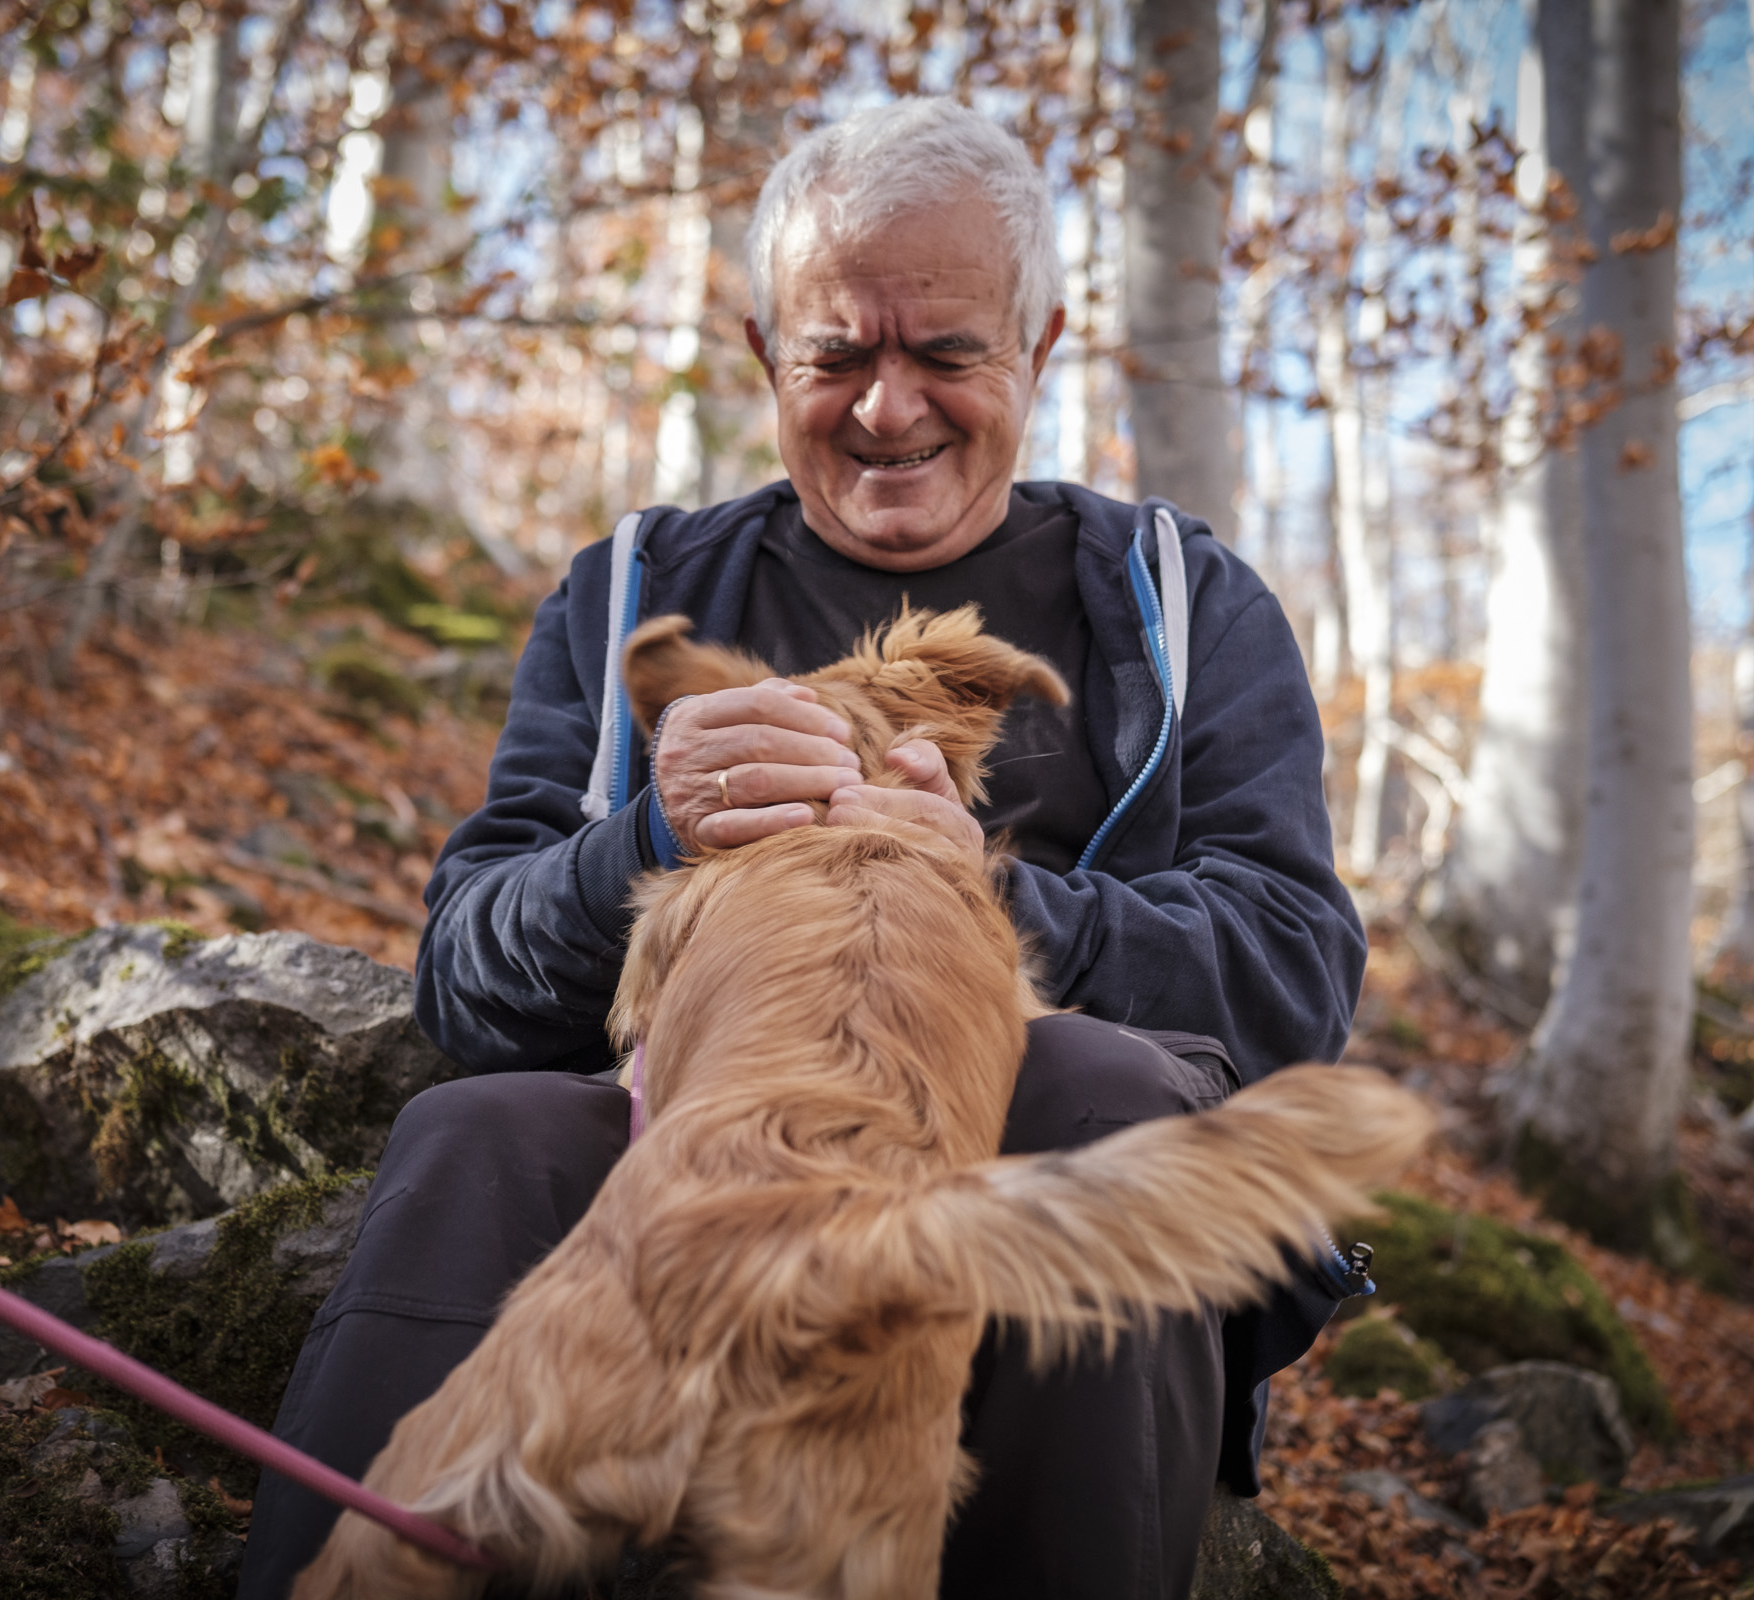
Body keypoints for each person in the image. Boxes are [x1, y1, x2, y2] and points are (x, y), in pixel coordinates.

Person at [238, 97, 1366, 1600]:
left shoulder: (1179, 600)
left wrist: (998, 904)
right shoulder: (639, 583)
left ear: (1038, 347)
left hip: (1037, 1140)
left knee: (1105, 1094)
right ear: (767, 354)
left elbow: (1295, 973)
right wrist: (647, 838)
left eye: (946, 352)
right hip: (692, 1130)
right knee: (475, 1133)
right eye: (837, 355)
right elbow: (467, 975)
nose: (889, 408)